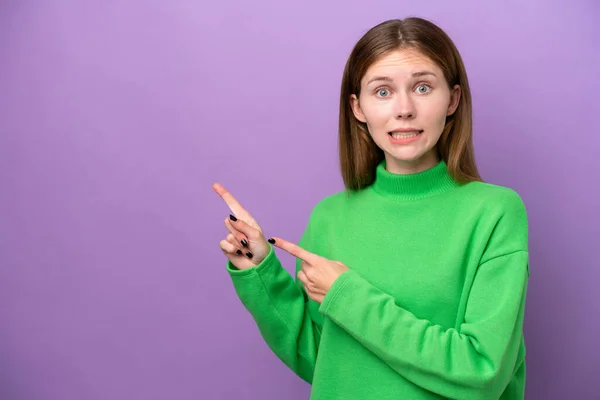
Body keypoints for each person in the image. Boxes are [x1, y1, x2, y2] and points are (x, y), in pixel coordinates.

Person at [213, 17, 529, 400]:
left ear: (453, 99)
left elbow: (483, 373)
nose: (404, 109)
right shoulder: (329, 217)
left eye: (423, 87)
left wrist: (348, 296)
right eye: (382, 92)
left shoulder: (494, 212)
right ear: (357, 107)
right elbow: (322, 359)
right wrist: (260, 273)